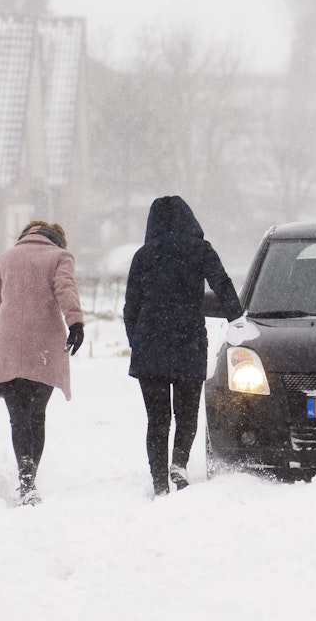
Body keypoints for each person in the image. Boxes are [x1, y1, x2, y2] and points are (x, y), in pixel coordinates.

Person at [124, 196, 244, 497]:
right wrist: (236, 318)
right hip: (188, 339)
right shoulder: (200, 250)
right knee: (187, 412)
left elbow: (131, 307)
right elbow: (222, 283)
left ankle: (158, 481)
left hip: (151, 344)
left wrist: (136, 341)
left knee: (157, 418)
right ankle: (178, 463)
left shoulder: (143, 255)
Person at [0, 221, 85, 507]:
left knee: (18, 417)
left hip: (9, 347)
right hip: (43, 348)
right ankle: (31, 480)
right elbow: (65, 290)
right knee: (37, 415)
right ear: (57, 239)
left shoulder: (5, 258)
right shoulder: (59, 257)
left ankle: (26, 479)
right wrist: (75, 323)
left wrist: (11, 327)